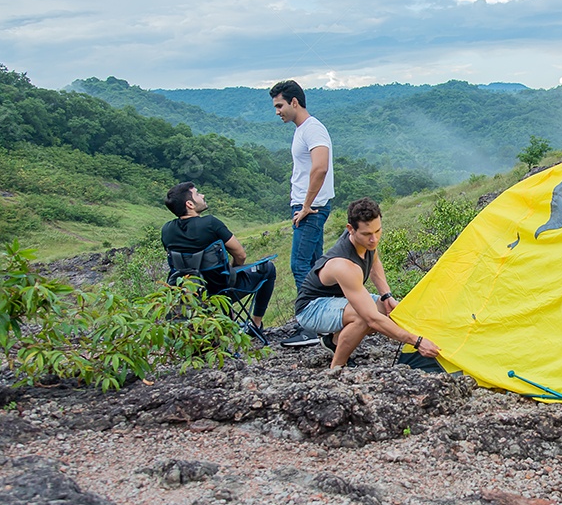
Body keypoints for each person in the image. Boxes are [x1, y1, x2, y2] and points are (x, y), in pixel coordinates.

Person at [294, 197, 440, 369]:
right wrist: (417, 341)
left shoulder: (366, 241)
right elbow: (371, 319)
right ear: (351, 230)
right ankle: (337, 368)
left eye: (378, 231)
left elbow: (374, 264)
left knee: (389, 310)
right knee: (363, 317)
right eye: (367, 234)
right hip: (312, 308)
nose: (374, 239)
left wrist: (387, 296)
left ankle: (333, 341)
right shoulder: (344, 265)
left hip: (340, 299)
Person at [161, 182, 277, 333]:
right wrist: (233, 268)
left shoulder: (167, 230)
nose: (202, 196)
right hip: (222, 291)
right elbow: (241, 255)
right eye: (197, 194)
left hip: (189, 295)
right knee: (268, 268)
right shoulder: (210, 223)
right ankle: (255, 325)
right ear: (189, 204)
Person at [271, 79, 335, 347]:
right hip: (310, 205)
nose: (277, 112)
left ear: (294, 102)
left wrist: (307, 205)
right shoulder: (302, 129)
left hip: (310, 208)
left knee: (299, 265)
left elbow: (320, 167)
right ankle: (326, 321)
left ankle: (308, 328)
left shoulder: (313, 129)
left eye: (280, 105)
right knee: (316, 265)